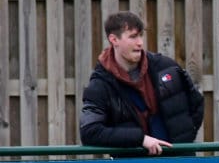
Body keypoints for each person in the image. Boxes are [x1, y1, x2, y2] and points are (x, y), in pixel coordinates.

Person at [80, 11, 204, 155]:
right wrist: (140, 140)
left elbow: (196, 104)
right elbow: (89, 132)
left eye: (140, 35)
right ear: (114, 40)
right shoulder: (100, 85)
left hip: (179, 161)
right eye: (133, 37)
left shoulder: (166, 67)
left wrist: (183, 141)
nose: (140, 43)